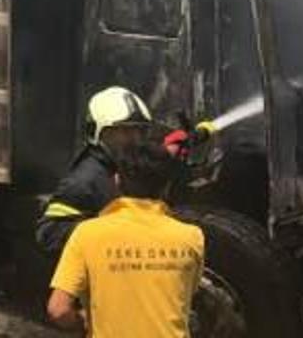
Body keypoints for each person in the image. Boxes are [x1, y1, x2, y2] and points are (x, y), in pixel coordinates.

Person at [46, 138, 205, 337]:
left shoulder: (87, 234)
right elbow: (184, 293)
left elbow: (58, 309)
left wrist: (83, 321)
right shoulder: (191, 237)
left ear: (117, 181)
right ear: (166, 186)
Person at [35, 86, 153, 256]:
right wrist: (109, 231)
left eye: (140, 131)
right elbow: (49, 234)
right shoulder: (85, 180)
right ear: (100, 133)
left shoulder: (124, 168)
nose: (135, 139)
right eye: (126, 131)